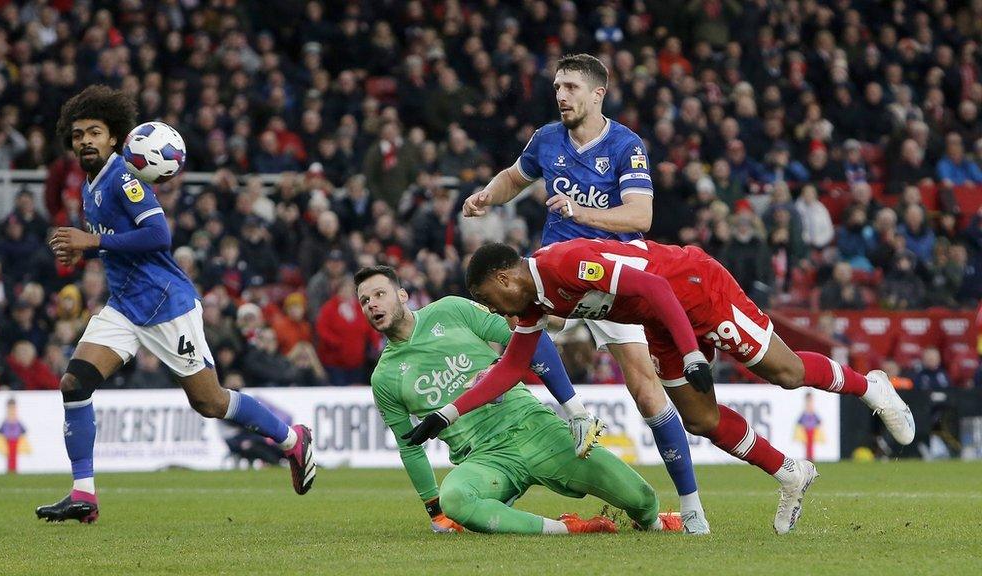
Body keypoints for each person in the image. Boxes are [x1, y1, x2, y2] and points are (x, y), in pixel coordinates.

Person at [407, 240, 916, 535]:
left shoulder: (561, 264)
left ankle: (869, 386)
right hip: (658, 320)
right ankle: (790, 472)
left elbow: (654, 285)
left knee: (781, 373)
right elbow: (511, 367)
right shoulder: (535, 304)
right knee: (700, 419)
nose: (489, 308)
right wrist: (447, 415)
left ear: (504, 276)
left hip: (694, 288)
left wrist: (693, 351)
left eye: (485, 296)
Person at [37, 85, 315, 524]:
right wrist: (89, 249)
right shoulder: (90, 186)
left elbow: (158, 235)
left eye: (95, 132)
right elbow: (119, 244)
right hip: (126, 305)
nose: (86, 140)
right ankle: (83, 495)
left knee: (209, 402)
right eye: (77, 134)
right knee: (74, 384)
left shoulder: (123, 178)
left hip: (165, 304)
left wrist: (91, 242)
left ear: (116, 139)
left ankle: (291, 439)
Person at [460, 53, 708, 534]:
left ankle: (692, 505)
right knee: (519, 327)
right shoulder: (546, 139)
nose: (561, 95)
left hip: (613, 277)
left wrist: (581, 211)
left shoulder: (625, 145)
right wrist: (488, 195)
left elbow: (640, 219)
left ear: (598, 94)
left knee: (643, 385)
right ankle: (574, 413)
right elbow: (515, 177)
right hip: (556, 270)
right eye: (557, 87)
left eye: (571, 87)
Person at [355, 265, 682, 535]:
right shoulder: (384, 378)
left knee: (640, 497)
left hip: (534, 428)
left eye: (379, 294)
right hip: (486, 459)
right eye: (365, 300)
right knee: (455, 500)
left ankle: (656, 520)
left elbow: (527, 340)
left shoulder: (450, 311)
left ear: (402, 295)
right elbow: (409, 447)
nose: (372, 304)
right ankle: (566, 529)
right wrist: (435, 510)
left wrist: (573, 410)